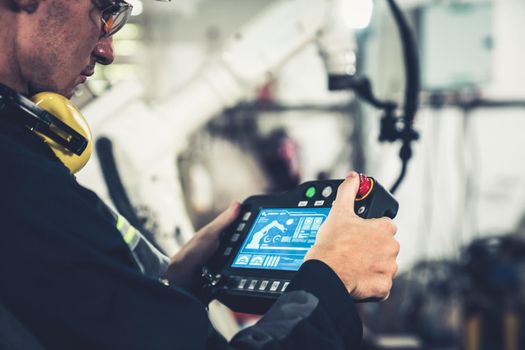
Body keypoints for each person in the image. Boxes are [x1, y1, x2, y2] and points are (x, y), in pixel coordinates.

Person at [0, 0, 400, 349]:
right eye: (103, 10)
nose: (107, 50)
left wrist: (173, 287)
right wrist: (330, 280)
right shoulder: (21, 184)